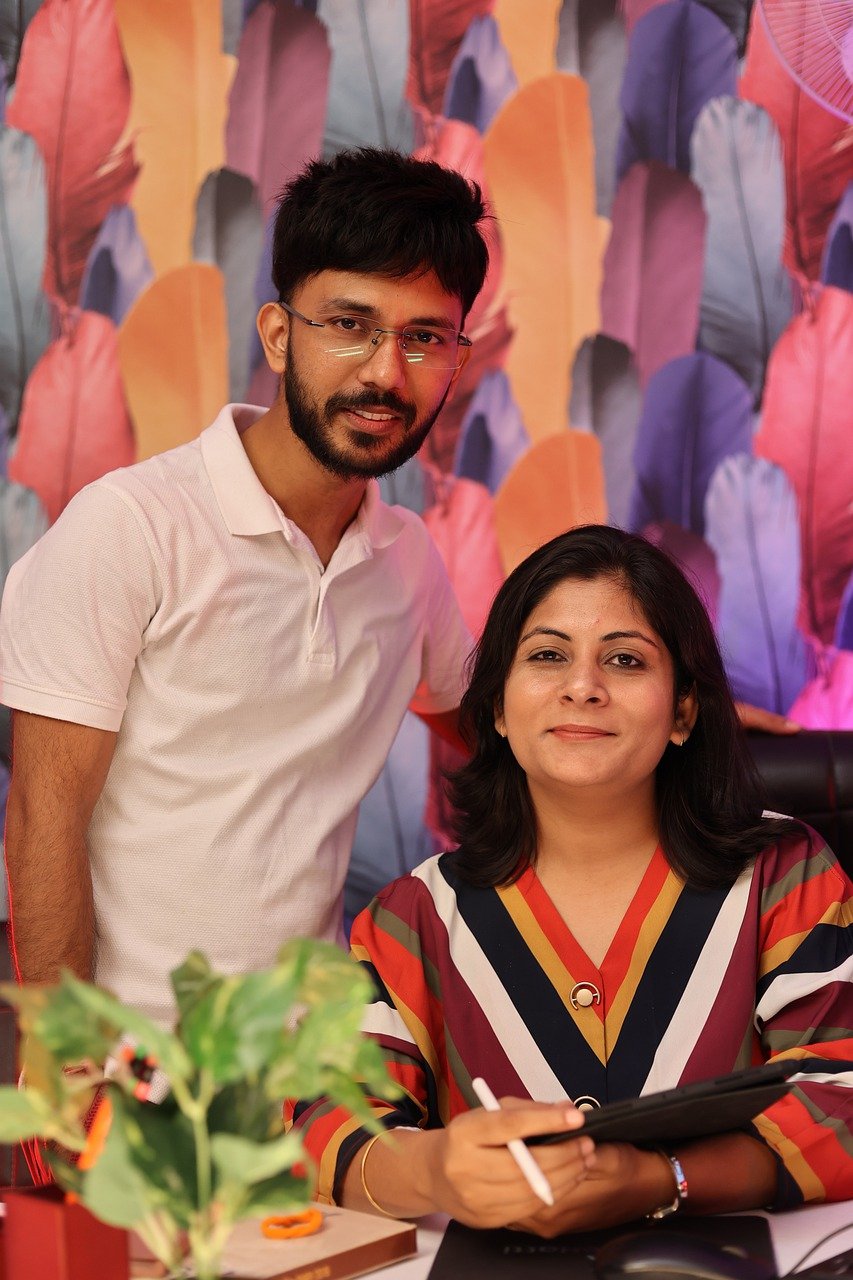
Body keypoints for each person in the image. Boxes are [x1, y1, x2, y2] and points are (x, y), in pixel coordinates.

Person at [0, 147, 487, 1026]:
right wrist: (72, 1072)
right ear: (277, 333)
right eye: (349, 323)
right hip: (137, 1062)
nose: (385, 372)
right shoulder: (132, 524)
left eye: (424, 338)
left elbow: (493, 726)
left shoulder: (407, 559)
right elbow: (45, 815)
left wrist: (680, 708)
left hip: (311, 1064)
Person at [287, 525, 853, 1235]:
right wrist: (434, 1171)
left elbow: (842, 1095)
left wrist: (660, 1180)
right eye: (547, 655)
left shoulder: (784, 876)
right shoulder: (412, 918)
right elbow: (325, 1122)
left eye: (624, 660)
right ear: (497, 707)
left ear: (682, 710)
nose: (582, 687)